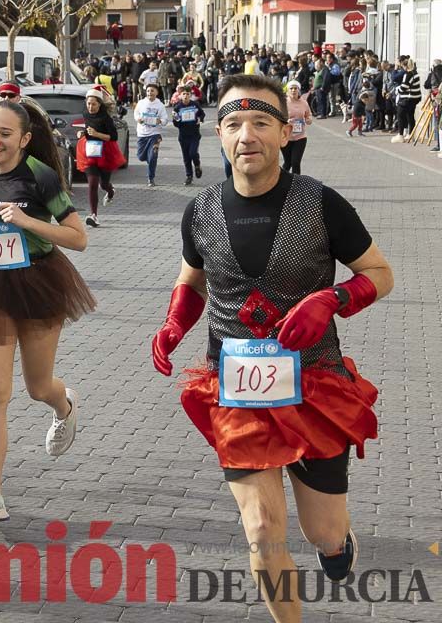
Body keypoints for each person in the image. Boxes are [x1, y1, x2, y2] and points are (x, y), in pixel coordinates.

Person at [151, 72, 393, 623]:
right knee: (260, 529)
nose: (247, 135)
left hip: (316, 387)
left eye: (260, 122)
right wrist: (173, 324)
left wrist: (330, 299)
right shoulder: (201, 210)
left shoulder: (323, 203)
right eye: (234, 123)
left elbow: (379, 273)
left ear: (286, 132)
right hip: (237, 389)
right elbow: (192, 281)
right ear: (219, 135)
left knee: (322, 531)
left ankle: (337, 546)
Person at [0, 99, 94, 522]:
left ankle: (63, 404)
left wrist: (28, 222)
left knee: (37, 386)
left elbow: (77, 237)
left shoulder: (40, 176)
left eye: (5, 133)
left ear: (25, 139)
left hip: (37, 281)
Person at [75, 87, 126, 228]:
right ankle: (94, 215)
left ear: (100, 104)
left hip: (105, 151)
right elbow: (87, 128)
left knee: (103, 184)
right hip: (89, 151)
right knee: (92, 183)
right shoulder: (86, 113)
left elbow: (113, 137)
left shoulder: (106, 118)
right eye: (88, 103)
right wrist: (82, 133)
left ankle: (110, 191)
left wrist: (97, 134)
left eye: (94, 104)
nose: (90, 107)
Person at [134, 83, 170, 188]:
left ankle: (151, 178)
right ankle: (149, 159)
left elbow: (165, 120)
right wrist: (138, 119)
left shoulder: (160, 105)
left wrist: (160, 121)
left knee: (153, 155)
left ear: (157, 92)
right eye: (148, 91)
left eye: (152, 91)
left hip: (155, 134)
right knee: (141, 157)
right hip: (142, 134)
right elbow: (136, 114)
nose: (150, 93)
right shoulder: (141, 103)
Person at [171, 84, 205, 186]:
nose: (185, 96)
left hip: (194, 134)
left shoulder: (195, 104)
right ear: (180, 95)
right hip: (183, 136)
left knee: (193, 153)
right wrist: (176, 119)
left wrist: (200, 119)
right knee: (186, 157)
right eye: (183, 94)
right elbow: (176, 124)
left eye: (188, 94)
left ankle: (197, 165)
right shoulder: (177, 107)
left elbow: (202, 114)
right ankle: (189, 176)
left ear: (190, 95)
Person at [283, 80, 313, 172]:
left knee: (295, 162)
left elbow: (309, 115)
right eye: (291, 88)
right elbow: (277, 117)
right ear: (287, 91)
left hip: (300, 137)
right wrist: (286, 121)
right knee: (288, 162)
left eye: (295, 88)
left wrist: (309, 120)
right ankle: (281, 181)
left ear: (298, 90)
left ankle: (296, 184)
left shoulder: (303, 102)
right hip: (286, 137)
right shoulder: (283, 103)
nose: (293, 90)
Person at [392, 59, 421, 143]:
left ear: (405, 66)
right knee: (410, 116)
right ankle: (411, 134)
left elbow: (404, 86)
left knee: (400, 115)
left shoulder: (408, 74)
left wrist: (398, 90)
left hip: (407, 98)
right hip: (414, 98)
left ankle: (400, 135)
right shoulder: (415, 74)